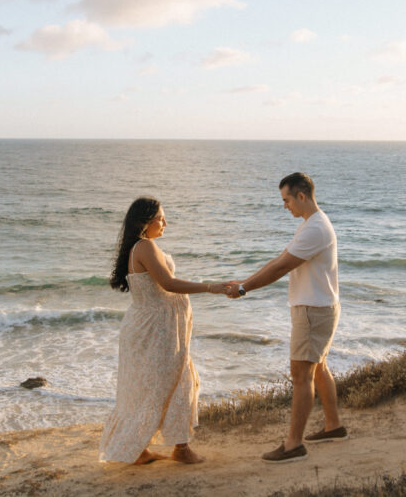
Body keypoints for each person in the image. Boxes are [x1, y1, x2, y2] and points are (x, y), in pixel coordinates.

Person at [99, 197, 229, 465]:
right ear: (145, 222)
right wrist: (210, 287)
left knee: (149, 387)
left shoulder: (141, 247)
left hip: (153, 328)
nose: (165, 223)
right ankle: (179, 449)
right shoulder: (144, 247)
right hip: (156, 331)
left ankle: (140, 448)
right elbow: (168, 283)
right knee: (175, 383)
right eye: (161, 218)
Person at [226, 173, 346, 464]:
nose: (285, 206)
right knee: (319, 368)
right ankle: (334, 426)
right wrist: (245, 280)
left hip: (312, 310)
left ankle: (293, 445)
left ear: (301, 196)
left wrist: (244, 288)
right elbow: (280, 259)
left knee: (301, 375)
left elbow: (281, 268)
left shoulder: (315, 228)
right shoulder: (312, 224)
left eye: (286, 200)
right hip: (321, 306)